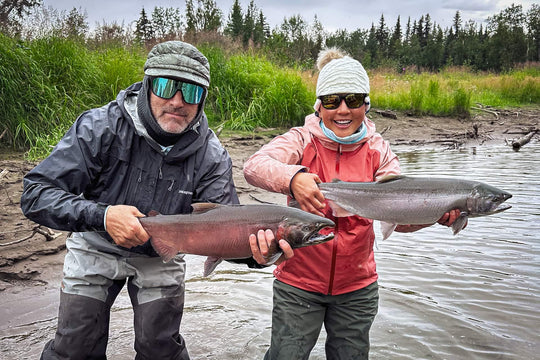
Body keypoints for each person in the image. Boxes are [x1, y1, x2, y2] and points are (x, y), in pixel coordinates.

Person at [20, 40, 291, 360]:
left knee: (160, 348)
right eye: (166, 86)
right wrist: (103, 216)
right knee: (75, 348)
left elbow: (225, 230)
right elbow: (36, 193)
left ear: (202, 100)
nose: (177, 101)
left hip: (162, 255)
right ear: (148, 85)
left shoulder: (212, 155)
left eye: (191, 92)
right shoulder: (100, 127)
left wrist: (256, 254)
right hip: (95, 241)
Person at [244, 48, 464, 360]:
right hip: (297, 283)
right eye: (333, 101)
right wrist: (293, 179)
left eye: (354, 100)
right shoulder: (300, 140)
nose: (343, 110)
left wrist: (433, 215)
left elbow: (398, 220)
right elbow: (254, 165)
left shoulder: (379, 151)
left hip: (357, 289)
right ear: (320, 106)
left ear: (366, 105)